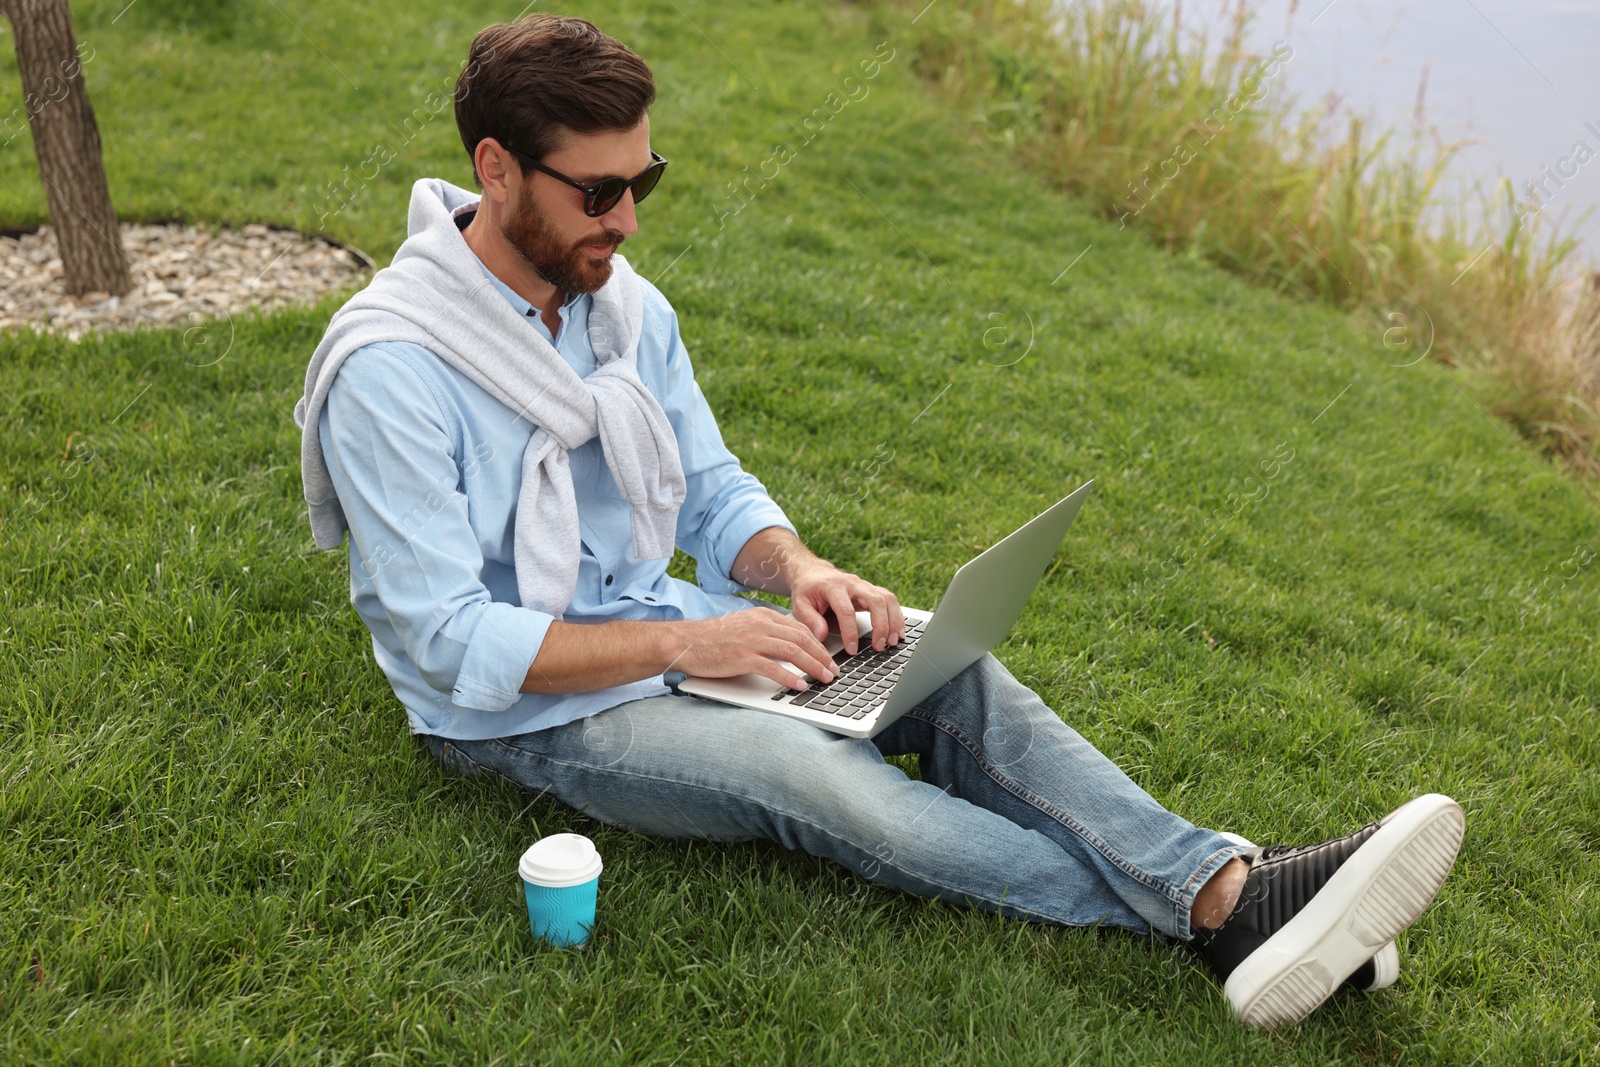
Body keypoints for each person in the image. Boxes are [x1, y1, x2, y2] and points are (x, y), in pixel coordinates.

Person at [295, 13, 1462, 1028]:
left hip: (667, 627)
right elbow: (451, 638)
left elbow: (709, 487)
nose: (629, 223)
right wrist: (683, 642)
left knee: (943, 669)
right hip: (518, 715)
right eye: (597, 194)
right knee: (832, 788)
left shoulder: (618, 306)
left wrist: (795, 566)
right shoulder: (394, 368)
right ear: (495, 169)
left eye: (643, 184)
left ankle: (1243, 897)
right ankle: (1231, 907)